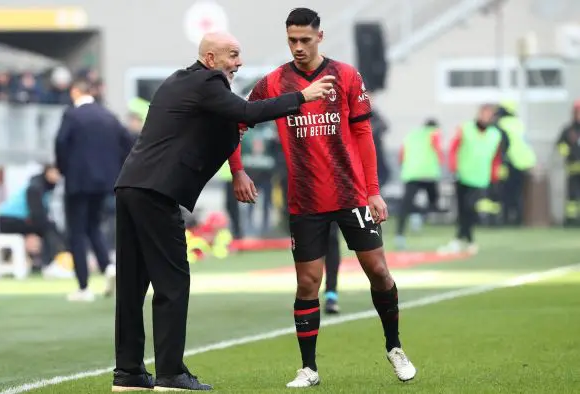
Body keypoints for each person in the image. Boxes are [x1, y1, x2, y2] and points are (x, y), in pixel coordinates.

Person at [111, 31, 336, 392]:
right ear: (212, 59)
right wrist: (301, 97)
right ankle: (170, 373)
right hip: (156, 193)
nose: (239, 62)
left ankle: (129, 375)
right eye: (232, 55)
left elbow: (230, 122)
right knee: (173, 283)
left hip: (130, 187)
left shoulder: (181, 81)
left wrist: (237, 168)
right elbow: (246, 112)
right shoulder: (207, 81)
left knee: (133, 285)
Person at [229, 8, 416, 388]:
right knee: (307, 283)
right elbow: (237, 122)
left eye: (305, 40)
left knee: (378, 271)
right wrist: (237, 170)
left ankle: (394, 347)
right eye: (292, 40)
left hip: (351, 195)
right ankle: (309, 369)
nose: (298, 47)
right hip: (305, 200)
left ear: (320, 37)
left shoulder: (346, 75)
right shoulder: (274, 82)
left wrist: (373, 192)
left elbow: (363, 135)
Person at [55, 78, 132, 302]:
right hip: (105, 182)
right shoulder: (108, 116)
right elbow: (127, 143)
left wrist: (64, 169)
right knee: (94, 226)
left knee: (77, 231)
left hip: (78, 181)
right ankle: (107, 267)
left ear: (75, 92)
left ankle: (83, 286)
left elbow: (61, 143)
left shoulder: (72, 115)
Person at [438, 104, 508, 254]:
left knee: (470, 208)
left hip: (480, 178)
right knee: (463, 210)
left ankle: (459, 240)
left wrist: (494, 175)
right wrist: (453, 166)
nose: (486, 117)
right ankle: (469, 241)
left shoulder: (495, 134)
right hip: (463, 175)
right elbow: (454, 148)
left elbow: (496, 157)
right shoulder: (466, 128)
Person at [0, 164, 70, 277]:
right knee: (48, 229)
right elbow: (37, 214)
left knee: (49, 227)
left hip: (14, 218)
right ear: (48, 172)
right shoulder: (36, 187)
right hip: (10, 220)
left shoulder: (43, 186)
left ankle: (46, 261)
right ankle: (49, 263)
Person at [395, 119, 444, 250]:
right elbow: (438, 151)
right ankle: (419, 215)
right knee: (434, 204)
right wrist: (440, 163)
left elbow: (401, 155)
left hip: (411, 174)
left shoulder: (411, 135)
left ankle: (399, 235)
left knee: (405, 205)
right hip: (428, 174)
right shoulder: (434, 133)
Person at [556, 99, 580, 226]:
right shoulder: (568, 130)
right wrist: (568, 154)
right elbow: (560, 145)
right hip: (573, 169)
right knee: (572, 197)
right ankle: (572, 220)